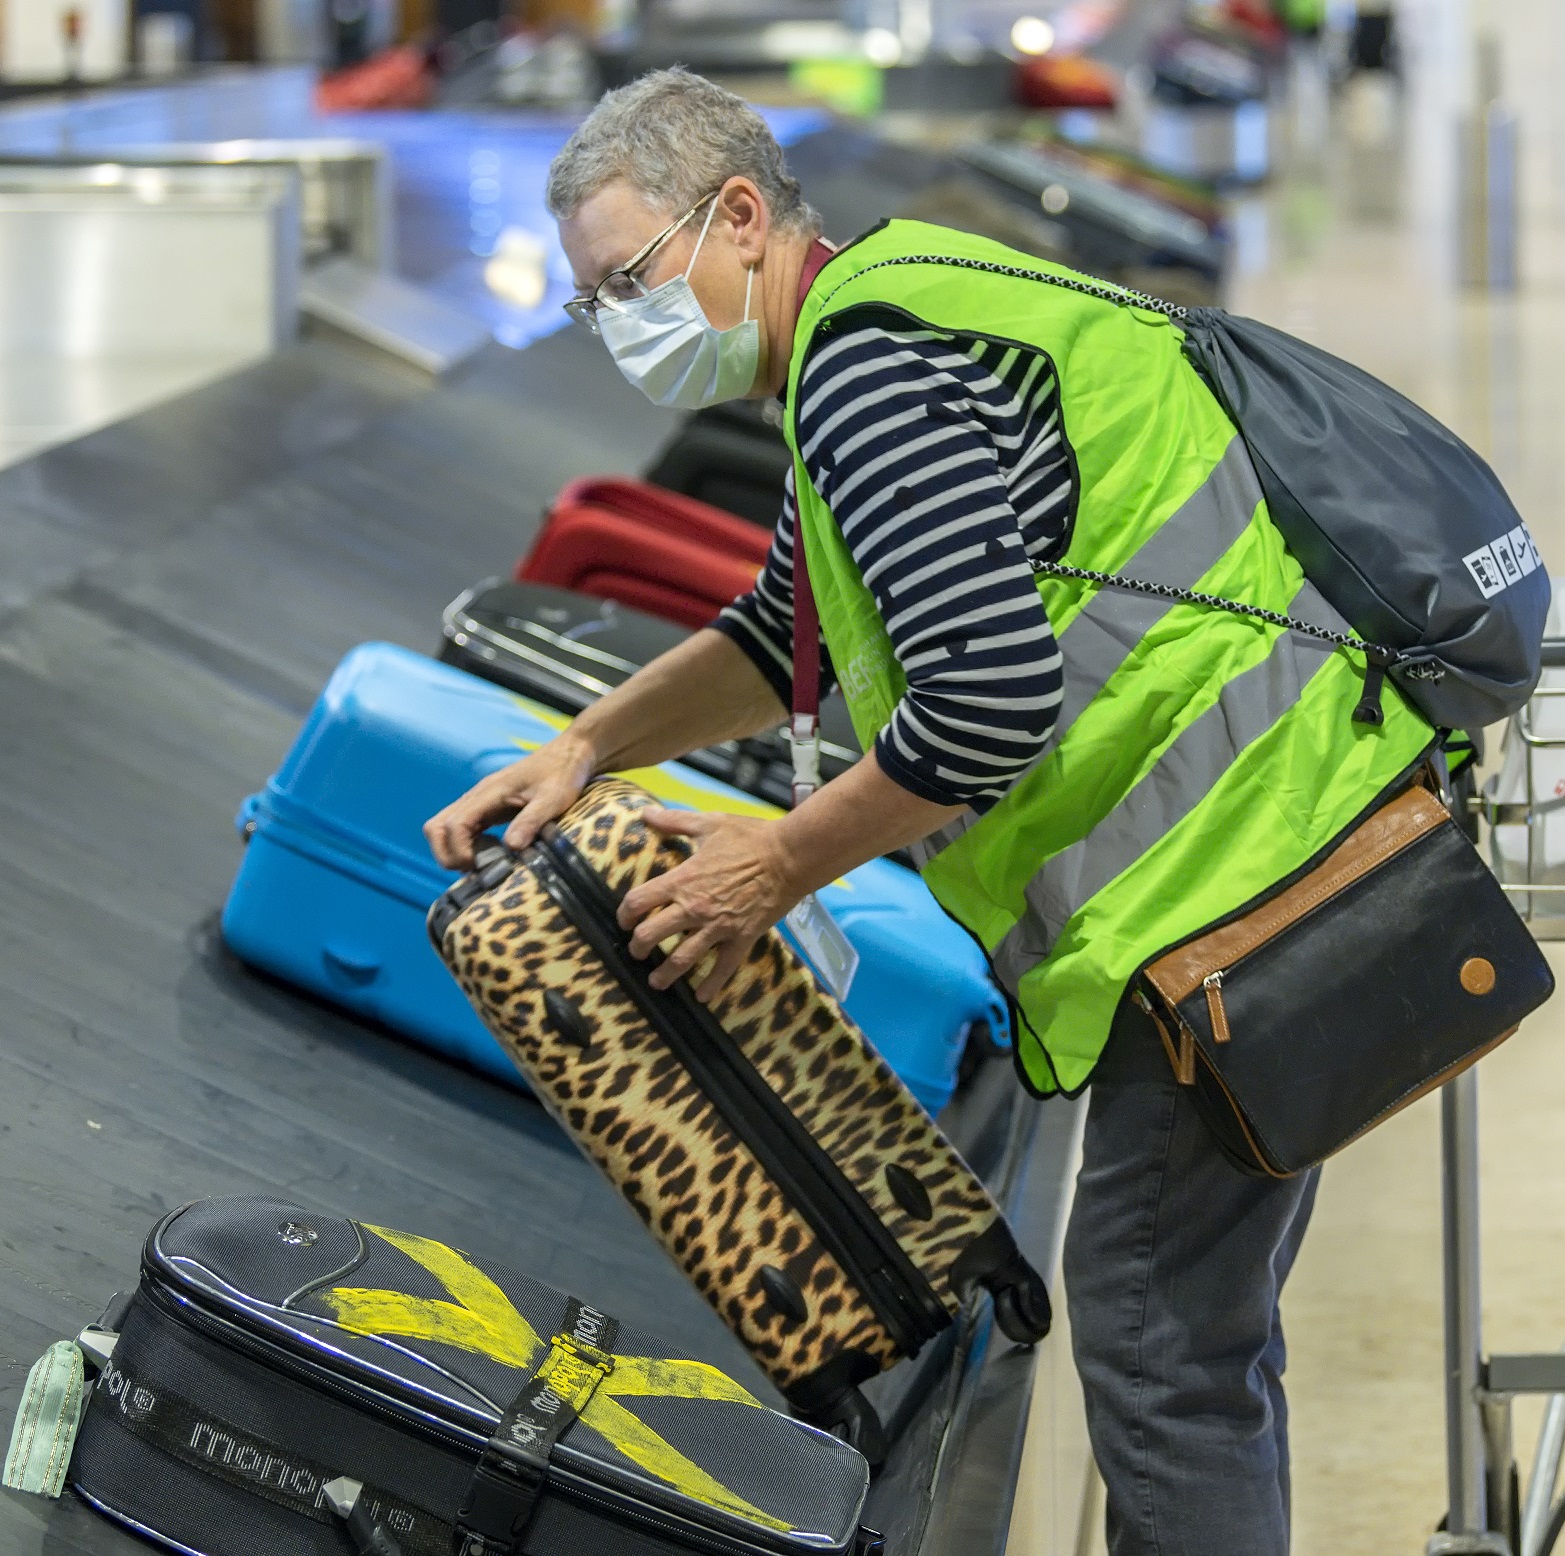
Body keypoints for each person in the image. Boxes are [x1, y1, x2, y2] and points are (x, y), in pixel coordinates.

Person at [424, 67, 1440, 1556]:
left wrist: (773, 862)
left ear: (744, 216)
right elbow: (795, 628)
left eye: (630, 280)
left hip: (1239, 885)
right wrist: (588, 743)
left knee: (1166, 1355)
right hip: (1288, 842)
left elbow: (984, 702)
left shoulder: (862, 368)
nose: (620, 326)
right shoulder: (895, 301)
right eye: (595, 305)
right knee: (1193, 1343)